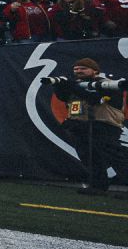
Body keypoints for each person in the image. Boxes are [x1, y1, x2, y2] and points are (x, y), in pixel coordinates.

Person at [45, 58, 128, 195]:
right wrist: (58, 85)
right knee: (89, 157)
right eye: (76, 69)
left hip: (105, 124)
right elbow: (64, 97)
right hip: (81, 125)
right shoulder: (76, 85)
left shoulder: (107, 84)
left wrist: (72, 85)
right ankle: (98, 186)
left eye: (83, 68)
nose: (78, 71)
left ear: (95, 70)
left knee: (116, 156)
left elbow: (93, 98)